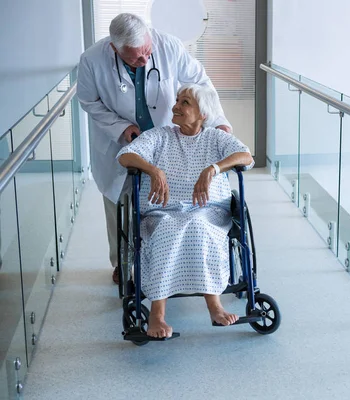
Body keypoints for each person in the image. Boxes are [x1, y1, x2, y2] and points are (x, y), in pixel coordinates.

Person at [77, 13, 232, 284]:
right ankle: (122, 263)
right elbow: (88, 102)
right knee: (119, 203)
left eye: (147, 52)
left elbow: (201, 83)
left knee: (168, 202)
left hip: (166, 140)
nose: (144, 61)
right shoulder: (91, 60)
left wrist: (217, 121)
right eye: (135, 58)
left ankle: (175, 260)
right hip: (122, 141)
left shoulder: (169, 45)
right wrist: (120, 127)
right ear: (114, 48)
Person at [117, 83, 253, 338]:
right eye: (177, 100)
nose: (175, 106)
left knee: (199, 226)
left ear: (203, 113)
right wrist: (153, 170)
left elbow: (245, 156)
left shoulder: (215, 138)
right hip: (162, 213)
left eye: (185, 103)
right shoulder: (160, 136)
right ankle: (157, 315)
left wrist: (213, 168)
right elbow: (126, 155)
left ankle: (215, 306)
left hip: (207, 211)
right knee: (169, 229)